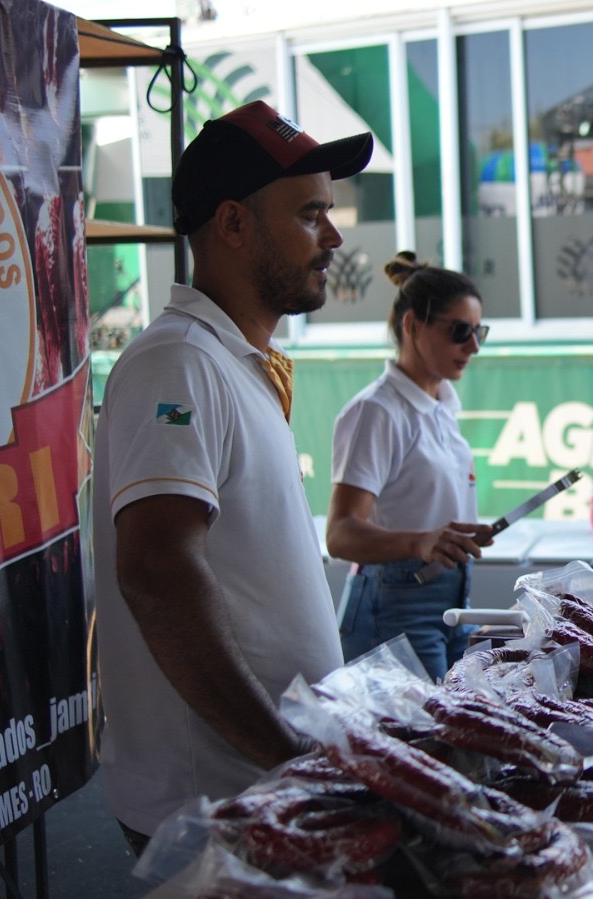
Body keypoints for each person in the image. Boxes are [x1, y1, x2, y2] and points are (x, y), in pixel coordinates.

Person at [91, 100, 373, 852]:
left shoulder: (226, 362)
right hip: (217, 807)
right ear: (233, 223)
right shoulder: (177, 361)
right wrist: (288, 753)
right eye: (311, 213)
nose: (334, 236)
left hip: (265, 793)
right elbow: (156, 571)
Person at [326, 253, 493, 681]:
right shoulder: (377, 411)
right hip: (396, 603)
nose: (473, 346)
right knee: (421, 741)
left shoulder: (440, 407)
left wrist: (448, 538)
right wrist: (420, 542)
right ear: (413, 326)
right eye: (460, 332)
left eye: (480, 332)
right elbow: (340, 533)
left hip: (453, 597)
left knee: (455, 730)